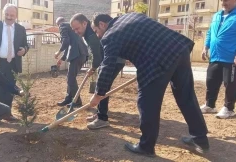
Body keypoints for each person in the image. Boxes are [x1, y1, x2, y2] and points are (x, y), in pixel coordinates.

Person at [88, 13, 209, 157]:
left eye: (96, 31)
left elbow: (107, 65)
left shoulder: (110, 35)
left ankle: (146, 145)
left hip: (156, 60)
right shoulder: (130, 16)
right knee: (186, 96)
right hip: (178, 49)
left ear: (102, 24)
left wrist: (98, 93)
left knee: (146, 102)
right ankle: (200, 138)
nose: (98, 35)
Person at [200, 0, 236, 119]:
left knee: (230, 83)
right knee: (211, 81)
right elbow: (210, 32)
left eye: (227, 0)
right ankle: (210, 105)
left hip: (231, 57)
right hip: (215, 55)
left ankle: (229, 108)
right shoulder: (217, 15)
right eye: (222, 0)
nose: (224, 2)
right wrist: (205, 47)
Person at [70, 13, 125, 129]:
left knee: (102, 88)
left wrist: (94, 68)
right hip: (111, 60)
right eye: (73, 29)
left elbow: (97, 56)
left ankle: (102, 118)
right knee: (101, 87)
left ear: (84, 23)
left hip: (114, 61)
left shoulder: (90, 35)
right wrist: (94, 67)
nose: (76, 31)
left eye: (77, 28)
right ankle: (99, 114)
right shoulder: (88, 33)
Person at [0, 3, 29, 123]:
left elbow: (26, 44)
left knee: (10, 90)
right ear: (3, 14)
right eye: (7, 14)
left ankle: (7, 114)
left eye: (12, 15)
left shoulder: (21, 29)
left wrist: (24, 50)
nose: (9, 17)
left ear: (16, 16)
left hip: (13, 64)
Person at [55, 17, 89, 107]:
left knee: (71, 78)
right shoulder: (71, 27)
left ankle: (77, 101)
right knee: (70, 77)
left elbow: (66, 42)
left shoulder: (62, 26)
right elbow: (69, 44)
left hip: (77, 54)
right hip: (82, 54)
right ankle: (69, 98)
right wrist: (62, 59)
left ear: (58, 24)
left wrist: (58, 52)